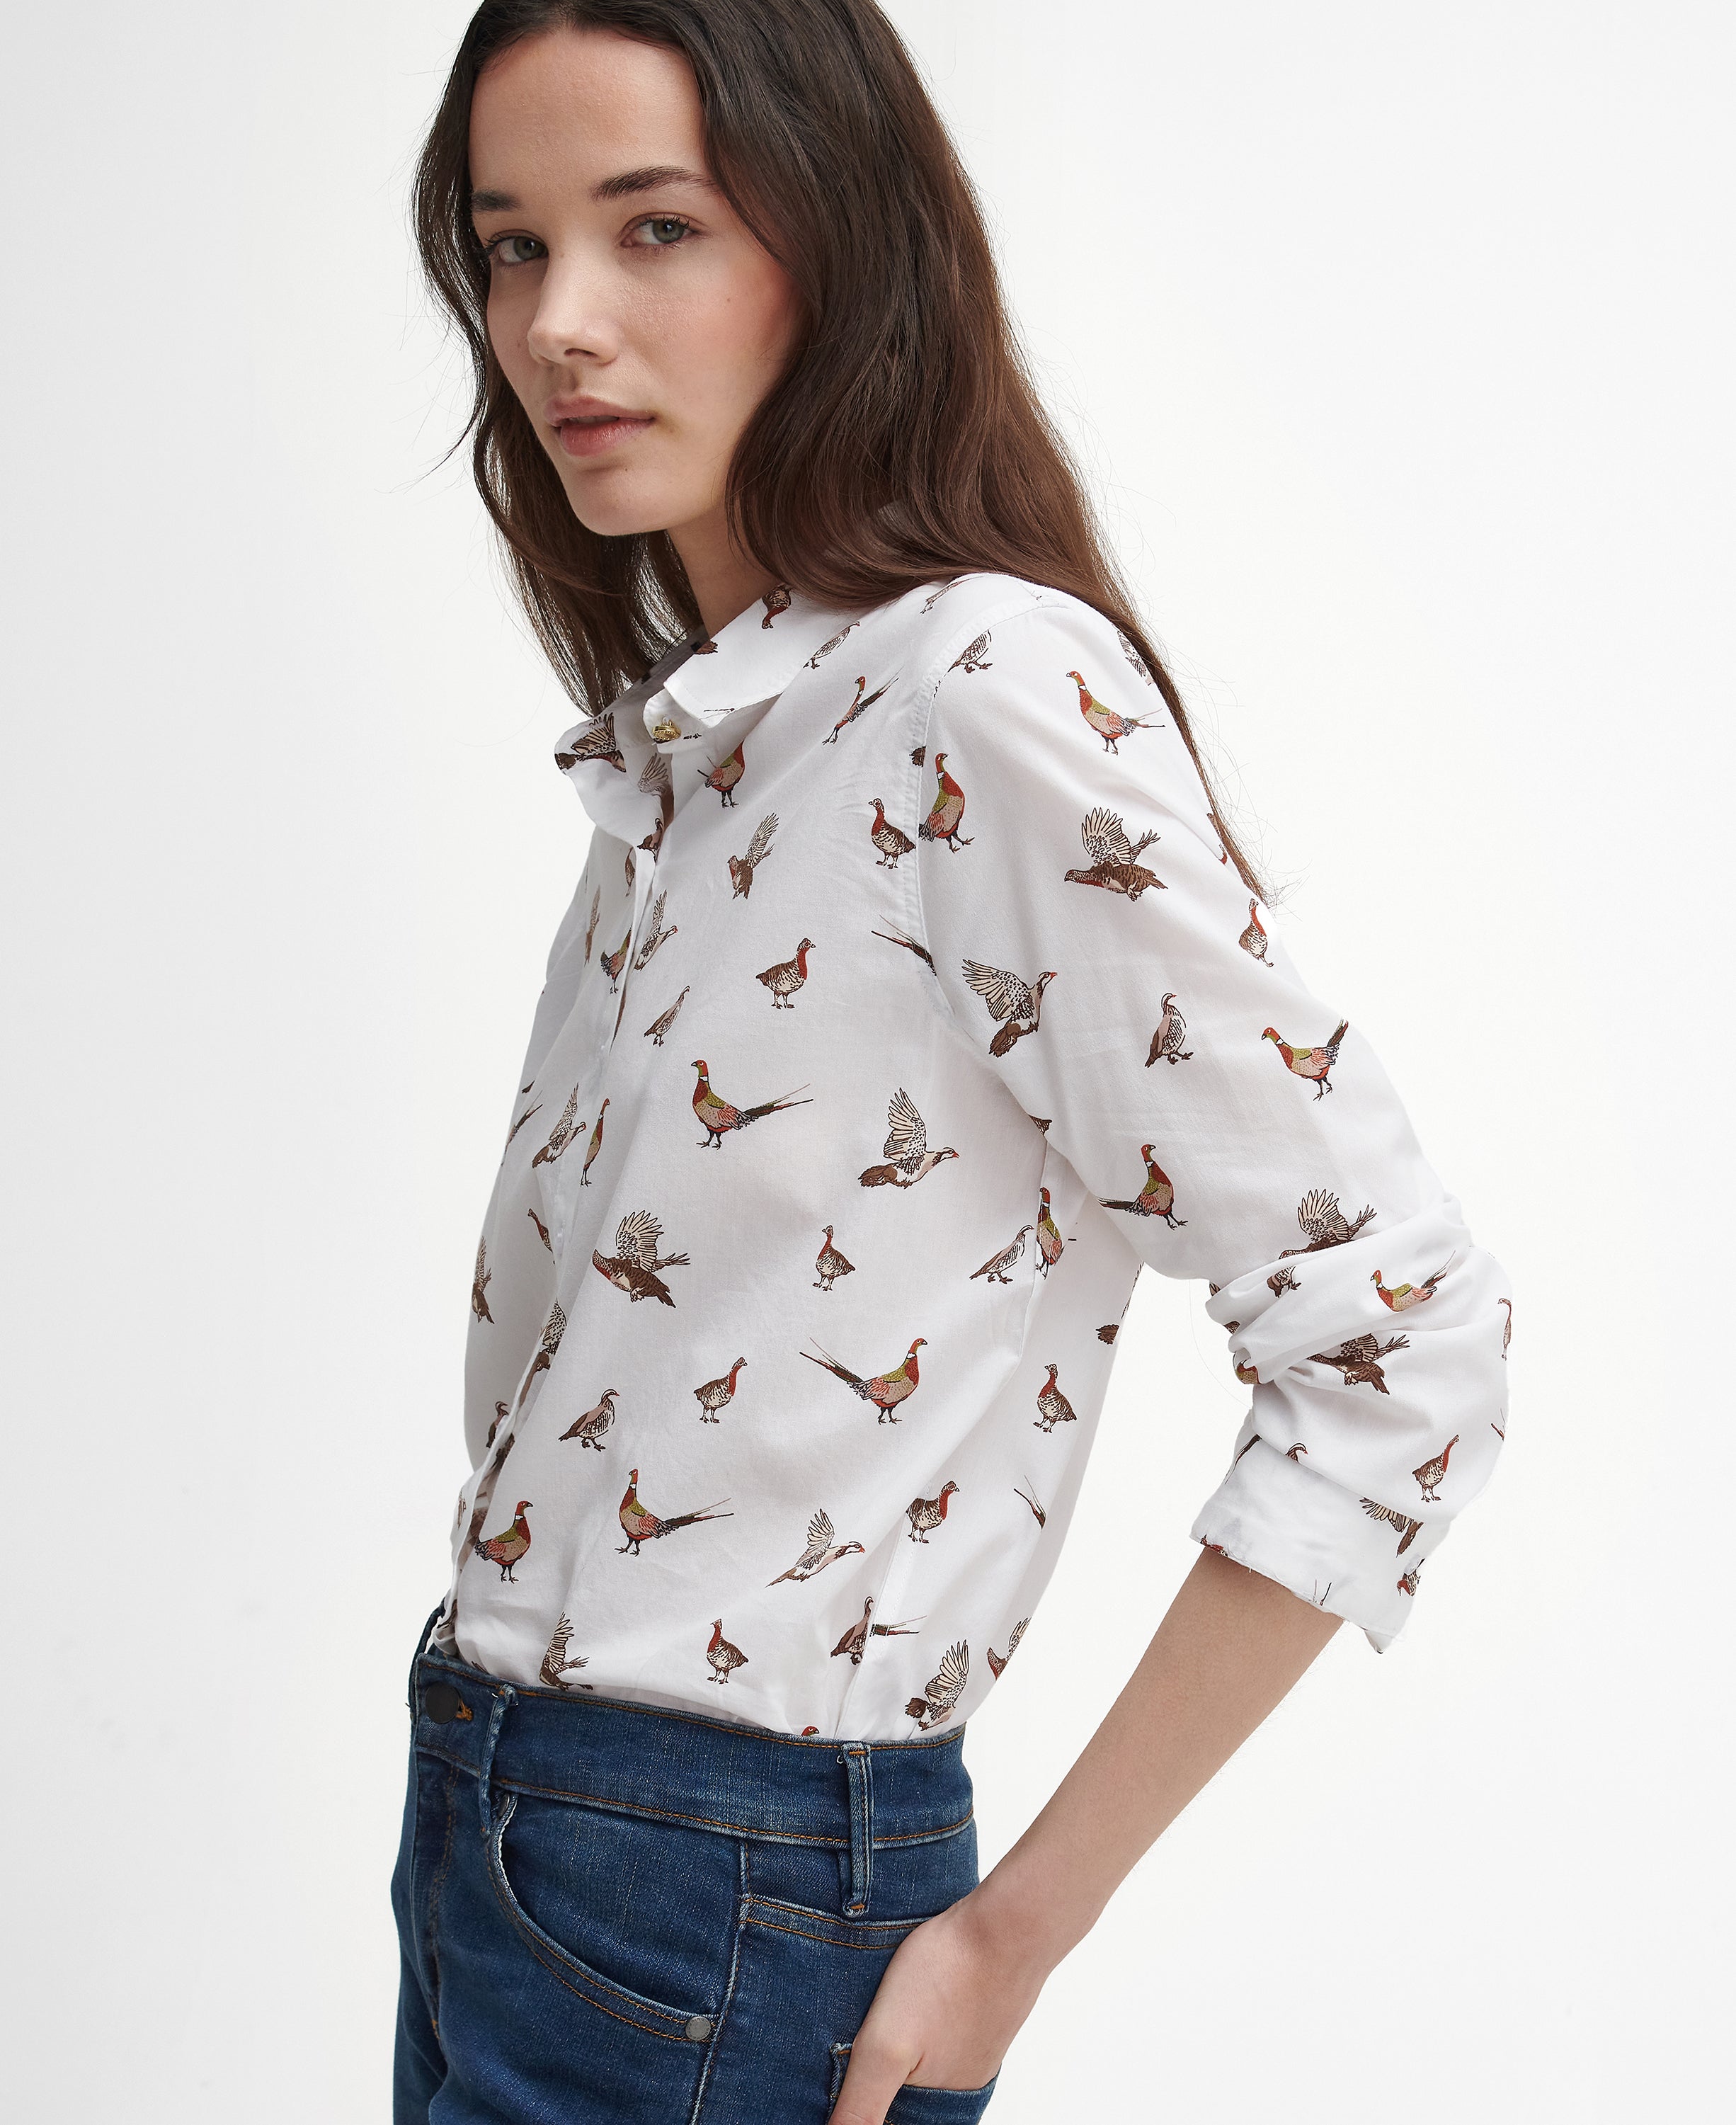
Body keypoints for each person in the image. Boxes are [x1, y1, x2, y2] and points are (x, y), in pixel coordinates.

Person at [389, 5, 1514, 2121]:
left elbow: (1402, 1337)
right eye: (512, 243)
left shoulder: (975, 693)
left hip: (717, 1897)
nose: (559, 325)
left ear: (840, 242)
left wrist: (1019, 1929)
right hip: (496, 1818)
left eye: (654, 227)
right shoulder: (723, 735)